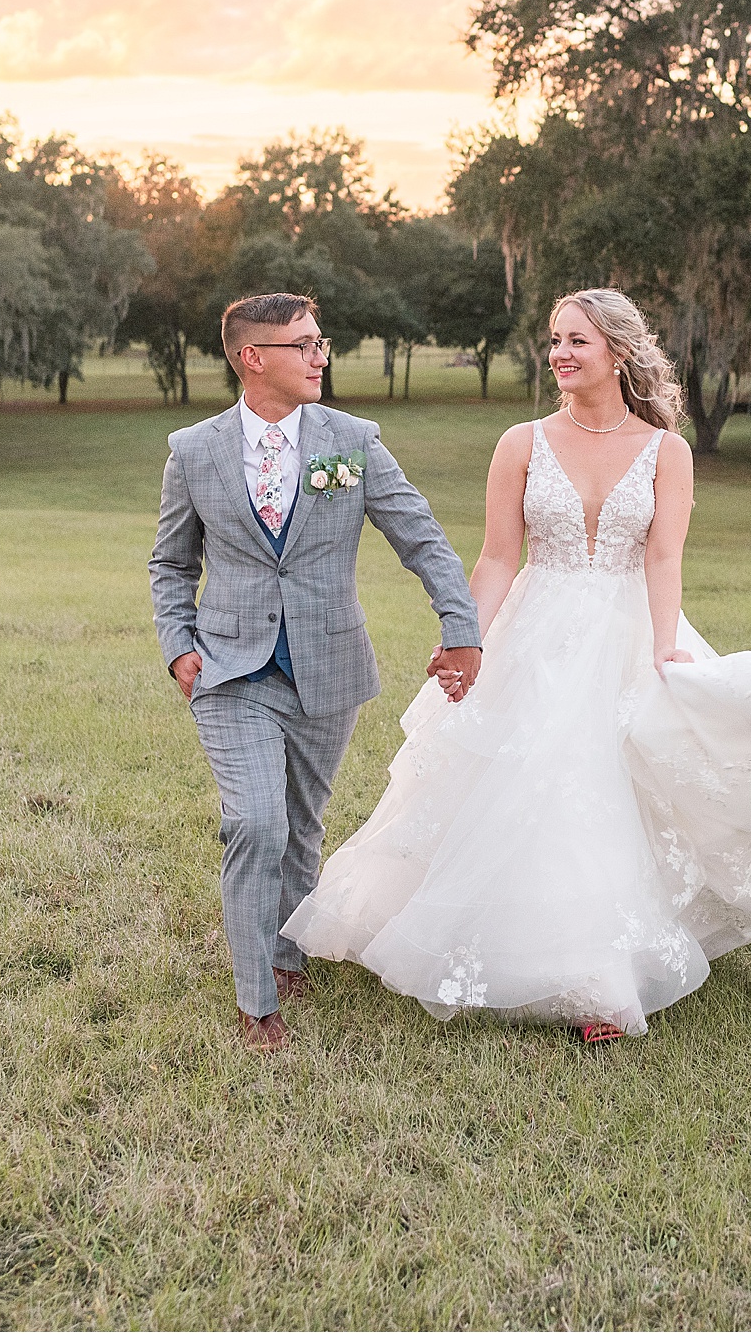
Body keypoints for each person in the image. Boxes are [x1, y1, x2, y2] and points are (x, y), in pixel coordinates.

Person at [286, 288, 751, 1041]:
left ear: (616, 351)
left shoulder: (666, 450)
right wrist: (467, 636)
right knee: (529, 785)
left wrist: (660, 650)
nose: (559, 353)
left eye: (576, 340)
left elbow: (663, 556)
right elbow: (494, 558)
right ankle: (522, 946)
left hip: (623, 629)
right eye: (554, 340)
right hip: (537, 630)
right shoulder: (520, 442)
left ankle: (603, 978)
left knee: (608, 790)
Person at [149, 292, 482, 1053]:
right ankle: (255, 999)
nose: (319, 356)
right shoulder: (194, 451)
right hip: (230, 670)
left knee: (302, 825)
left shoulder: (353, 440)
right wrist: (179, 645)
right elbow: (170, 562)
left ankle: (289, 948)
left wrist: (459, 625)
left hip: (328, 665)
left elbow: (422, 537)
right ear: (252, 357)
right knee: (255, 822)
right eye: (302, 345)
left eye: (320, 342)